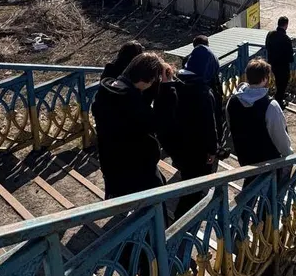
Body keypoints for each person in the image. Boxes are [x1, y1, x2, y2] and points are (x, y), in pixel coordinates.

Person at [91, 52, 168, 199]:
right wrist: (167, 89)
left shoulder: (107, 91)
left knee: (118, 198)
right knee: (155, 202)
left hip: (111, 162)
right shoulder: (131, 103)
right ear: (147, 79)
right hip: (137, 167)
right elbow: (158, 123)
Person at [225, 58, 293, 175]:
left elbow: (231, 125)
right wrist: (289, 154)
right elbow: (280, 137)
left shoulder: (232, 101)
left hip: (245, 158)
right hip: (268, 164)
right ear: (265, 78)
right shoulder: (270, 105)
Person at [170, 66, 220, 218]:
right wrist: (213, 150)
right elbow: (210, 126)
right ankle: (183, 221)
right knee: (194, 188)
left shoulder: (173, 87)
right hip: (198, 150)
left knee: (187, 177)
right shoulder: (203, 93)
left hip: (179, 146)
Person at [183, 35, 225, 147]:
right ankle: (217, 144)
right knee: (215, 119)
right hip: (211, 92)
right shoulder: (212, 57)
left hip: (194, 95)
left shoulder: (188, 60)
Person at [264, 16, 295, 107]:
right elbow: (290, 57)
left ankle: (279, 95)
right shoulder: (286, 39)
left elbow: (267, 46)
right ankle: (279, 101)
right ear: (286, 25)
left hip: (272, 63)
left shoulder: (270, 34)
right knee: (283, 82)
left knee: (278, 81)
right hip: (283, 66)